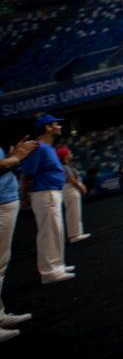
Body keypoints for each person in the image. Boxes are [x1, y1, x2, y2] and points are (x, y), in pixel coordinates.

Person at [19, 114, 75, 283]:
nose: (59, 126)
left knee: (56, 230)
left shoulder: (48, 148)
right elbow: (26, 173)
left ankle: (58, 265)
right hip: (44, 193)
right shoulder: (39, 147)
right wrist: (24, 196)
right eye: (56, 124)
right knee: (49, 232)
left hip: (52, 193)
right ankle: (50, 272)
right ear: (47, 127)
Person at [1, 135, 38, 342]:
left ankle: (0, 315)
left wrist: (11, 155)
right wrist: (15, 158)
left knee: (1, 264)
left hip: (6, 200)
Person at [56, 147, 90, 243]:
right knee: (73, 211)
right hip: (69, 188)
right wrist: (80, 186)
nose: (71, 153)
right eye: (69, 152)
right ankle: (75, 235)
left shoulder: (66, 165)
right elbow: (70, 179)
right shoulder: (63, 166)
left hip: (71, 188)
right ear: (65, 155)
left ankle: (77, 233)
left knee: (75, 211)